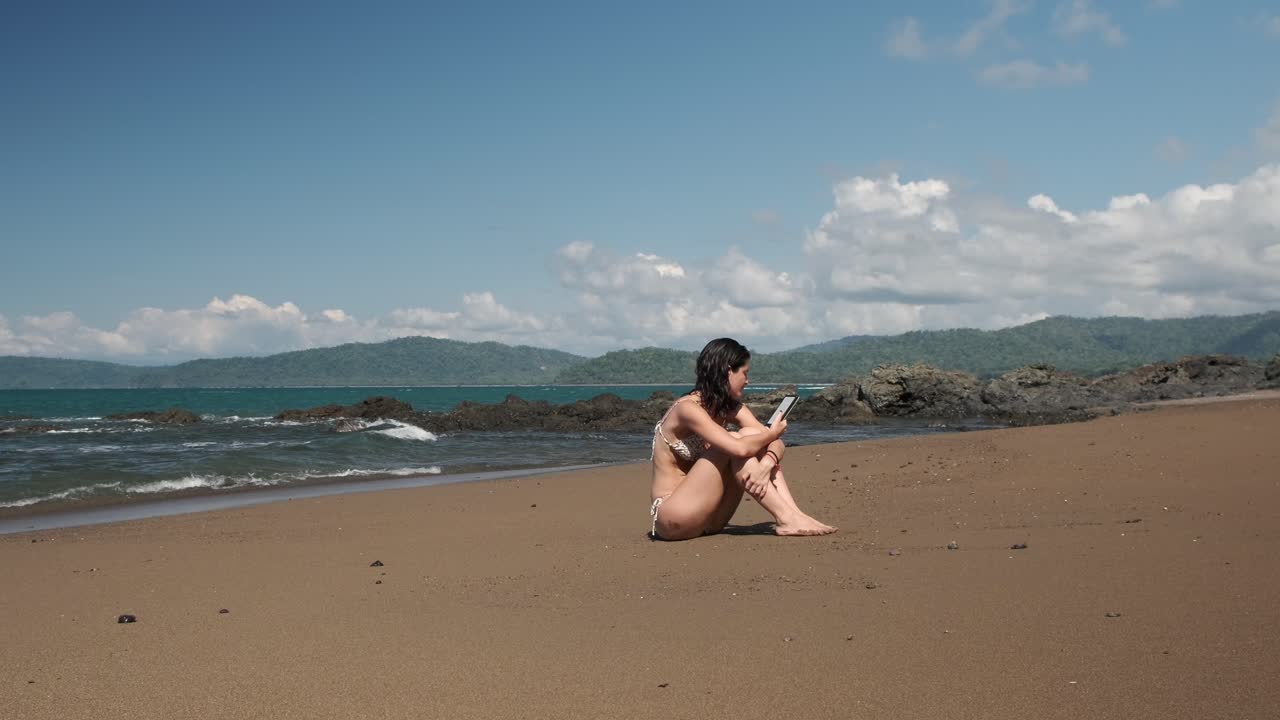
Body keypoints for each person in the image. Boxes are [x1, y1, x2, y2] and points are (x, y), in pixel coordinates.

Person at [649, 338, 837, 540]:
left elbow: (776, 444)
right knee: (738, 439)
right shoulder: (687, 409)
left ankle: (794, 514)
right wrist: (771, 433)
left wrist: (766, 464)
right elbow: (740, 448)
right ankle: (786, 517)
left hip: (711, 519)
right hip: (673, 518)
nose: (748, 380)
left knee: (750, 436)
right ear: (728, 371)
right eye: (745, 373)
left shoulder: (728, 407)